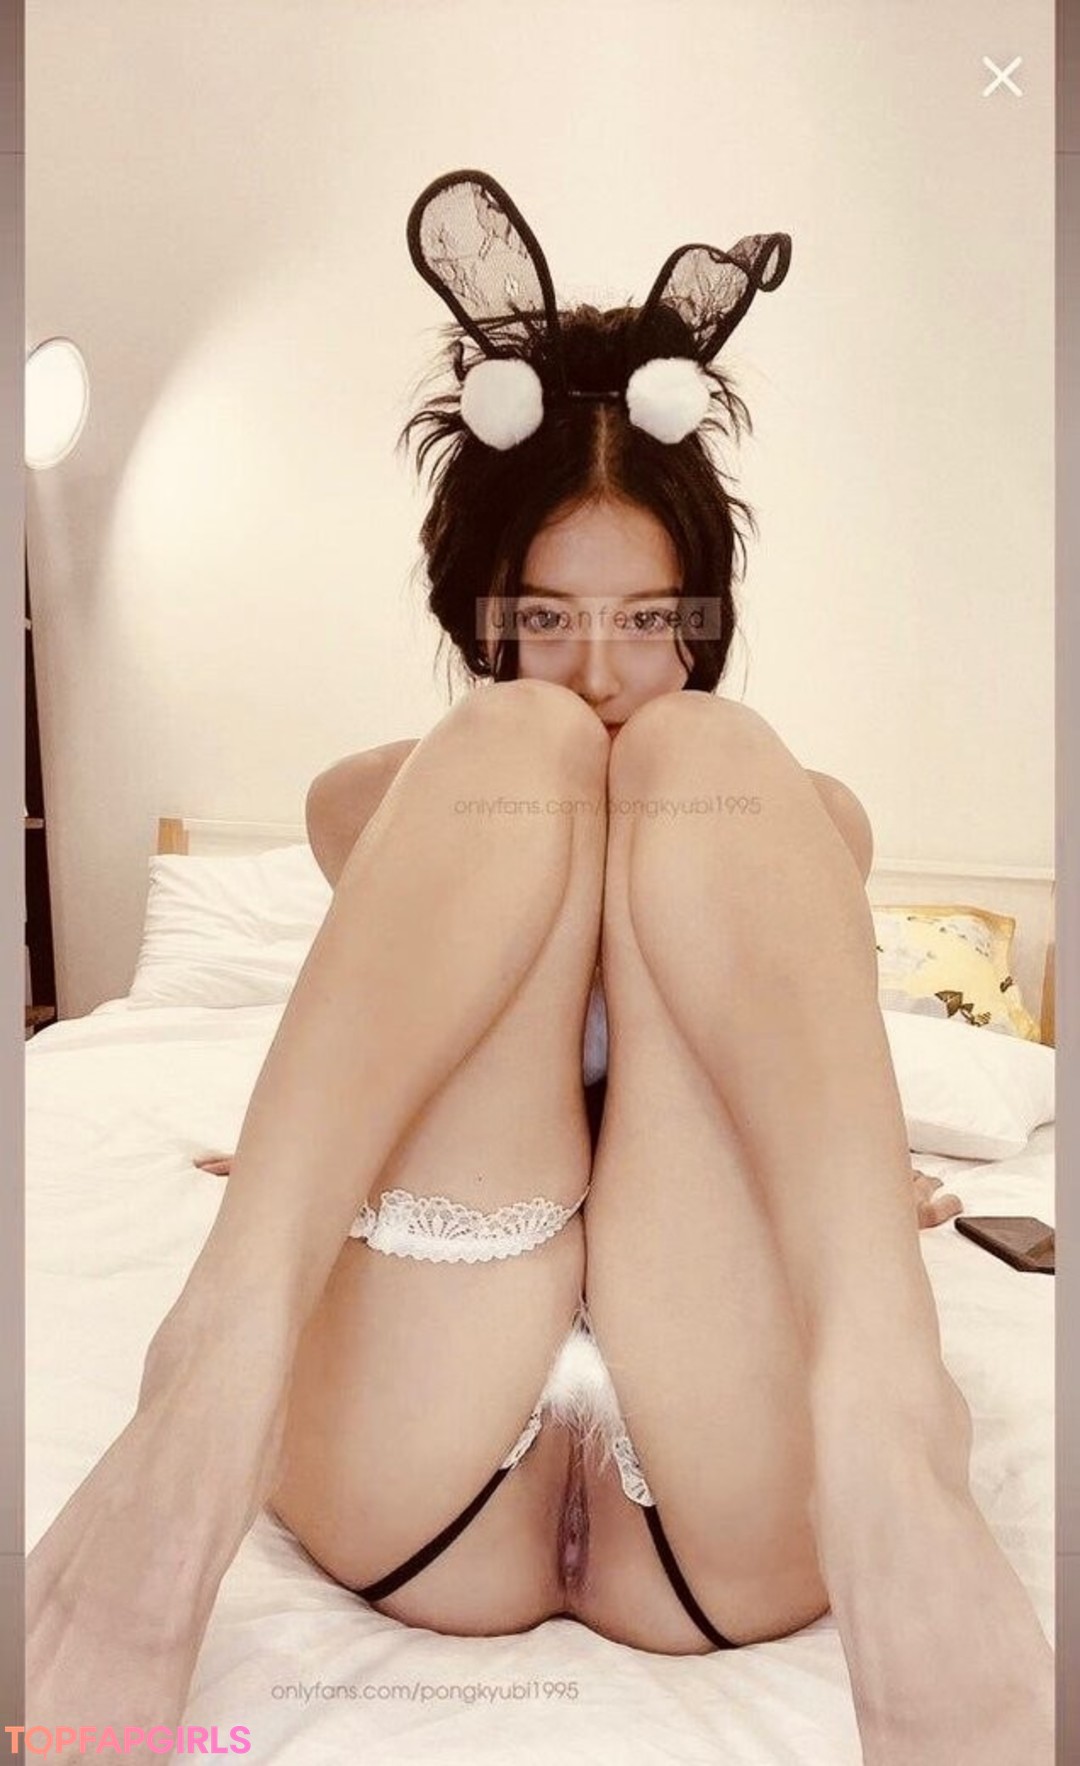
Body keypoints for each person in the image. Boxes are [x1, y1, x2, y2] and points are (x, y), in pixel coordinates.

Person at [27, 171, 1052, 1766]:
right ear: (481, 617)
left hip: (725, 1453)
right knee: (523, 758)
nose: (599, 668)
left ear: (704, 621)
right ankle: (214, 1366)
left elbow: (760, 1019)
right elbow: (465, 830)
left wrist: (870, 1177)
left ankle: (887, 1413)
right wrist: (522, 758)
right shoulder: (389, 799)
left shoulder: (798, 823)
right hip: (426, 1415)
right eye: (549, 616)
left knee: (711, 764)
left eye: (647, 620)